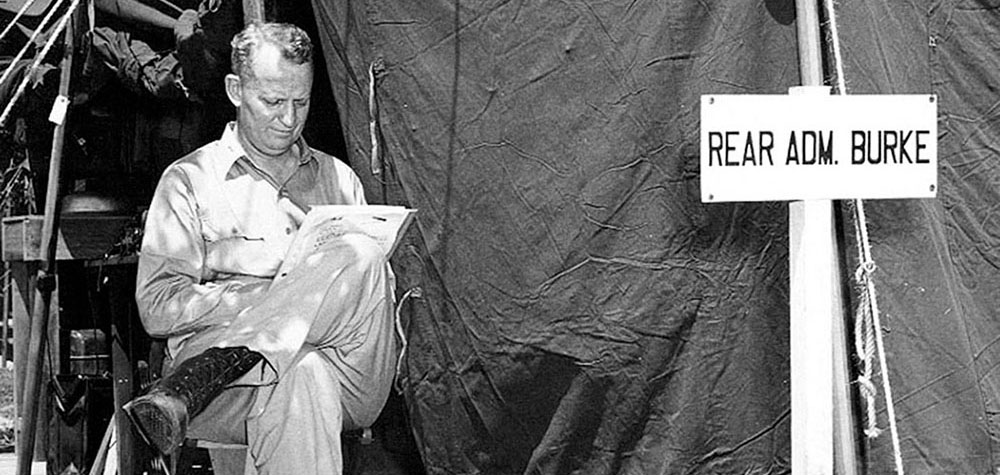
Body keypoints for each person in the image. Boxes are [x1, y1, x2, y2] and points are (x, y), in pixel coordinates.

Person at [124, 22, 398, 475]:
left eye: (301, 102)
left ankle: (199, 378)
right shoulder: (190, 181)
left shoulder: (340, 180)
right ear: (235, 89)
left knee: (361, 255)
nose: (289, 119)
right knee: (302, 376)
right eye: (272, 101)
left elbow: (366, 300)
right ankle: (234, 360)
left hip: (344, 371)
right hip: (231, 393)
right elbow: (156, 307)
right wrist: (270, 291)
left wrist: (280, 284)